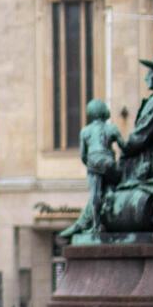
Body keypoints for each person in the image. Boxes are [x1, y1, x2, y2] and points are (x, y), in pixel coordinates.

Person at [58, 99, 125, 242]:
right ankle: (112, 202)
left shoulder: (85, 131)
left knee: (95, 193)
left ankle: (96, 225)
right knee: (116, 181)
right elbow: (124, 146)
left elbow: (83, 154)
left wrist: (90, 164)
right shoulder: (111, 128)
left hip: (93, 161)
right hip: (108, 161)